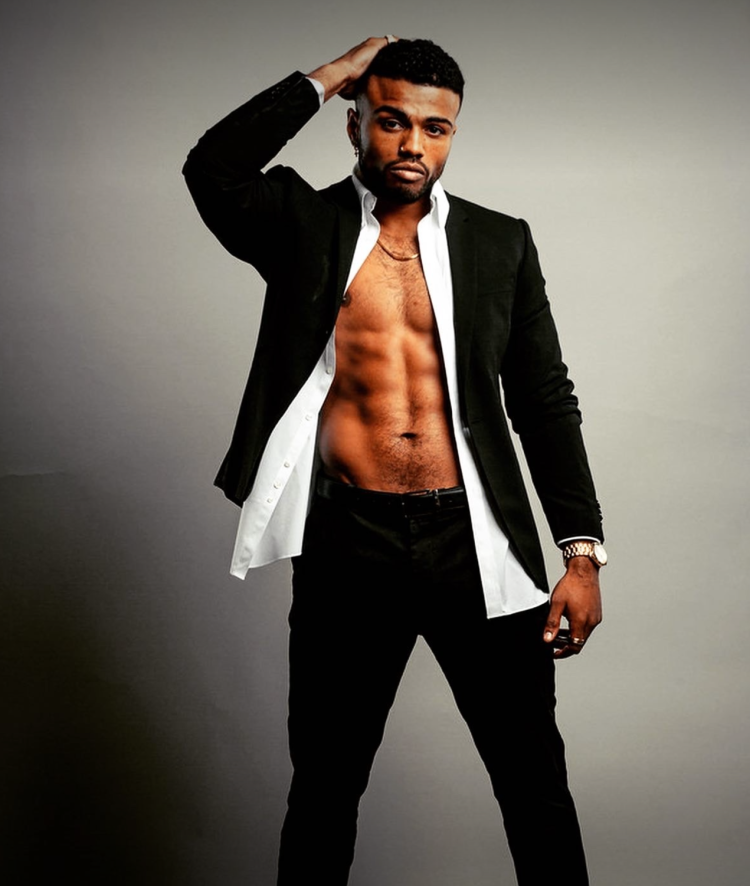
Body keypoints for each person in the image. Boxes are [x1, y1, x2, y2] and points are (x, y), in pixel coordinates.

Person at [183, 35, 606, 886]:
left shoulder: (500, 243)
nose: (414, 144)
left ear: (454, 134)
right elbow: (212, 169)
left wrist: (582, 551)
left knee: (533, 781)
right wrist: (328, 76)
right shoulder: (302, 225)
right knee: (326, 787)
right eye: (392, 121)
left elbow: (544, 398)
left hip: (474, 539)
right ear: (356, 125)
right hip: (349, 541)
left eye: (436, 128)